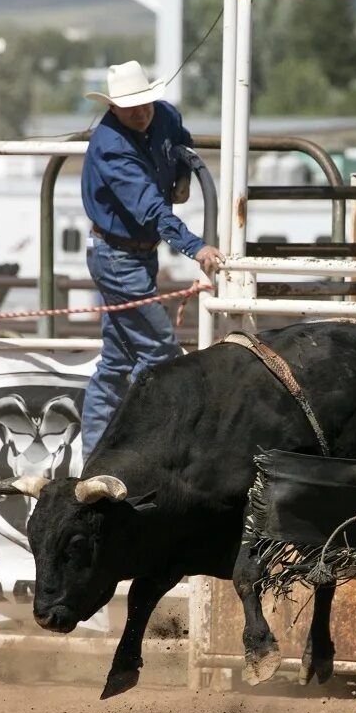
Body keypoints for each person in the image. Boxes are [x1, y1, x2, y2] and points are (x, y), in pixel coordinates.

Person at [78, 60, 222, 456]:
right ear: (113, 109)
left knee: (117, 359)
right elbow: (151, 210)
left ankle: (96, 457)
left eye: (146, 104)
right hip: (118, 257)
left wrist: (181, 176)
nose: (142, 113)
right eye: (132, 107)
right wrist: (197, 247)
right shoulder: (111, 147)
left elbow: (181, 142)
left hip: (130, 255)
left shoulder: (165, 116)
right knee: (160, 355)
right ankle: (142, 448)